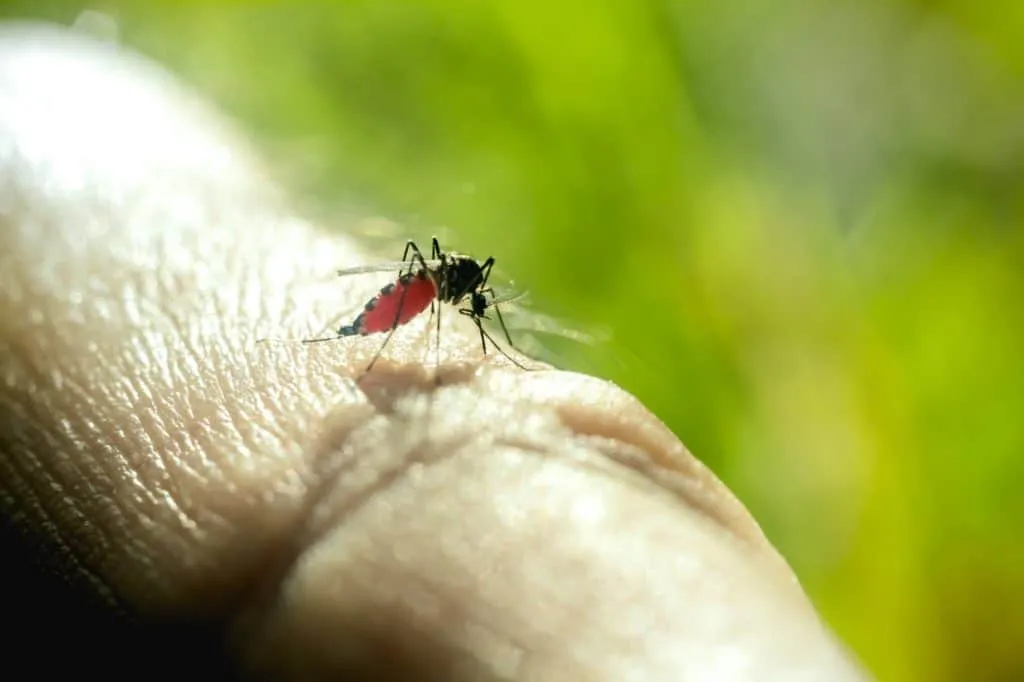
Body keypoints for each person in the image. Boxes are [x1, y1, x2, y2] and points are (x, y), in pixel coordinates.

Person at [0, 21, 868, 680]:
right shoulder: (434, 295)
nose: (478, 303)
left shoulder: (462, 293)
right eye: (474, 298)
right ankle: (363, 328)